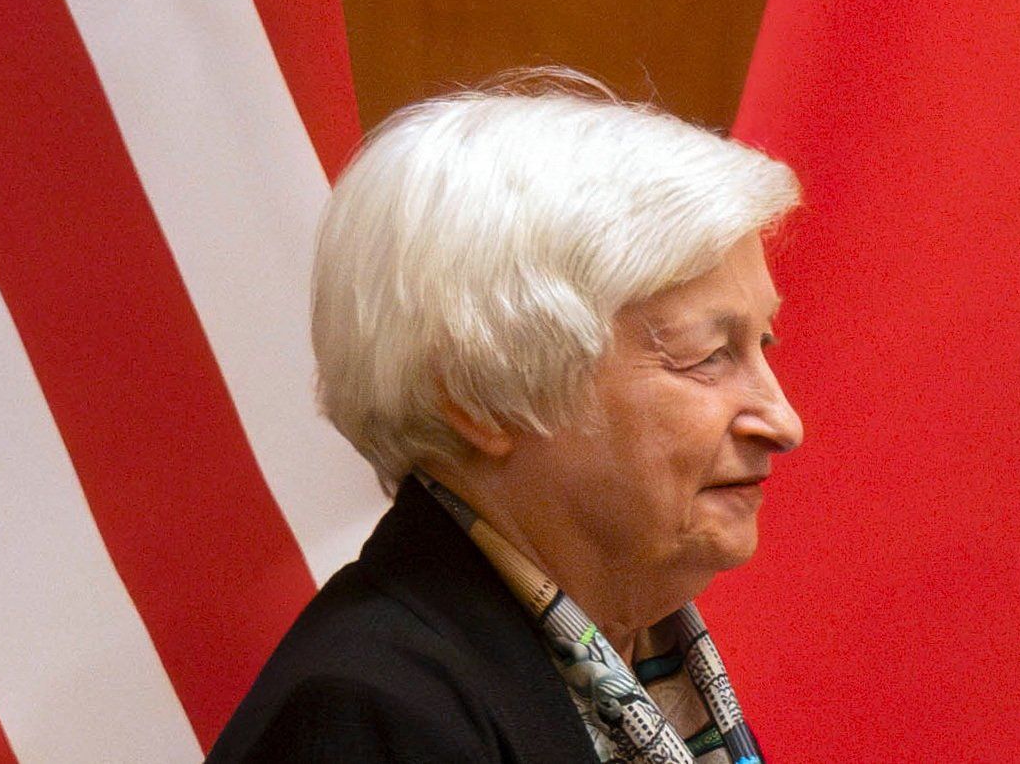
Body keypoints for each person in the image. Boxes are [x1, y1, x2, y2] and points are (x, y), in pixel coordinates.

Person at [208, 71, 805, 764]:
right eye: (708, 355)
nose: (783, 421)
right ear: (477, 393)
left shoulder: (640, 656)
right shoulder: (368, 722)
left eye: (760, 344)